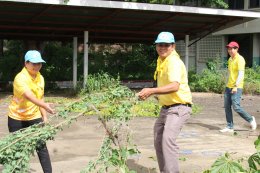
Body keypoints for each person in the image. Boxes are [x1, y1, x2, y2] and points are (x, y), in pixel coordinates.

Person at [138, 31, 192, 173]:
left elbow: (175, 86)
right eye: (159, 44)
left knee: (167, 141)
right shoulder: (162, 60)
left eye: (166, 45)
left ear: (173, 46)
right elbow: (164, 86)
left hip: (179, 108)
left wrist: (152, 90)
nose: (162, 47)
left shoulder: (173, 61)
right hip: (166, 108)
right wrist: (152, 94)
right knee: (158, 141)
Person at [8, 50, 55, 173]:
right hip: (16, 118)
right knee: (17, 149)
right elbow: (29, 96)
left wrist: (44, 116)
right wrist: (44, 105)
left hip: (34, 116)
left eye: (39, 63)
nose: (37, 66)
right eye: (34, 63)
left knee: (41, 146)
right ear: (26, 63)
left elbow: (40, 97)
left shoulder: (41, 78)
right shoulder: (20, 78)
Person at [220, 41, 257, 133]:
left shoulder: (240, 59)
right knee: (227, 106)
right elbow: (230, 73)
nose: (229, 50)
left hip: (237, 86)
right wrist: (227, 84)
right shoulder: (230, 59)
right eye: (228, 49)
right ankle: (229, 126)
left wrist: (236, 86)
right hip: (228, 86)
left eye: (231, 48)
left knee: (236, 106)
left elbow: (241, 74)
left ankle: (250, 119)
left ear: (236, 49)